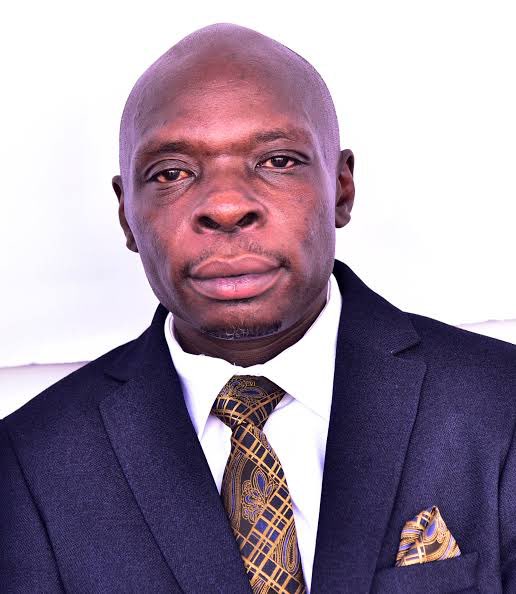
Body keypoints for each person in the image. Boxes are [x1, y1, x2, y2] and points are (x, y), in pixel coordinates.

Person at [1, 22, 515, 594]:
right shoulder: (26, 465)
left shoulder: (502, 403)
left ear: (341, 187)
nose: (225, 207)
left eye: (278, 161)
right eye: (172, 173)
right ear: (127, 215)